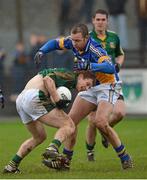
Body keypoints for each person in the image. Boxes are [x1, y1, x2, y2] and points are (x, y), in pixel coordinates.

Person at [34, 23, 133, 170]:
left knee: (100, 122)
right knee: (70, 122)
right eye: (73, 40)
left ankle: (125, 158)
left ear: (86, 38)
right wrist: (42, 51)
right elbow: (55, 43)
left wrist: (91, 66)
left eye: (78, 40)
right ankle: (65, 162)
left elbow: (110, 68)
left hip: (107, 85)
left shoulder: (95, 48)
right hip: (91, 85)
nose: (74, 43)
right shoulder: (72, 41)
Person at [3, 67, 95, 173]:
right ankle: (52, 149)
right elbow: (47, 79)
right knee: (69, 125)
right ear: (81, 76)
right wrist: (57, 99)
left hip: (21, 99)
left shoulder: (69, 82)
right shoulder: (71, 76)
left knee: (39, 137)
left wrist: (55, 100)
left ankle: (12, 166)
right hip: (34, 96)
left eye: (89, 87)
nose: (87, 88)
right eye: (87, 83)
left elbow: (49, 85)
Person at [85, 9, 126, 161]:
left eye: (103, 19)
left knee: (120, 113)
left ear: (107, 21)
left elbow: (120, 54)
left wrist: (118, 64)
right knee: (92, 120)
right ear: (93, 21)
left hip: (112, 82)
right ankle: (90, 152)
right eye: (98, 19)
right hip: (95, 84)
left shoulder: (114, 37)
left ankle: (104, 131)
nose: (101, 22)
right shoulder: (87, 37)